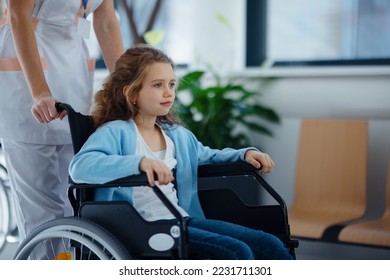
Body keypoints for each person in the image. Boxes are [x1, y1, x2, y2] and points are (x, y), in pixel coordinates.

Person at [69, 44, 293, 260]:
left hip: (181, 220)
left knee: (269, 245)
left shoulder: (175, 135)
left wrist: (243, 155)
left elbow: (208, 155)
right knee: (237, 252)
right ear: (132, 93)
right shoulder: (115, 132)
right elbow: (80, 167)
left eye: (172, 84)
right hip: (141, 228)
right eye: (157, 85)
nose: (168, 93)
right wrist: (138, 163)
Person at [0, 0, 124, 249]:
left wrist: (127, 88)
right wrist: (39, 92)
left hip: (72, 76)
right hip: (26, 79)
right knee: (42, 212)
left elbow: (107, 21)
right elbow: (18, 15)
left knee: (75, 200)